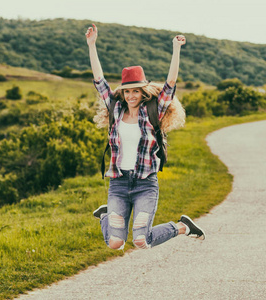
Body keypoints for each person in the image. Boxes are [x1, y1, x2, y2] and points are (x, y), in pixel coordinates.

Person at [85, 24, 205, 250]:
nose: (131, 95)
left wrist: (176, 49)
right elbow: (99, 81)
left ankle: (182, 226)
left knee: (142, 241)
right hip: (118, 183)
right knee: (115, 244)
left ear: (143, 92)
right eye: (127, 91)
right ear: (123, 92)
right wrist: (92, 46)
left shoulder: (153, 111)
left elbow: (170, 84)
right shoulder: (115, 110)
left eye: (136, 91)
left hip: (145, 184)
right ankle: (105, 215)